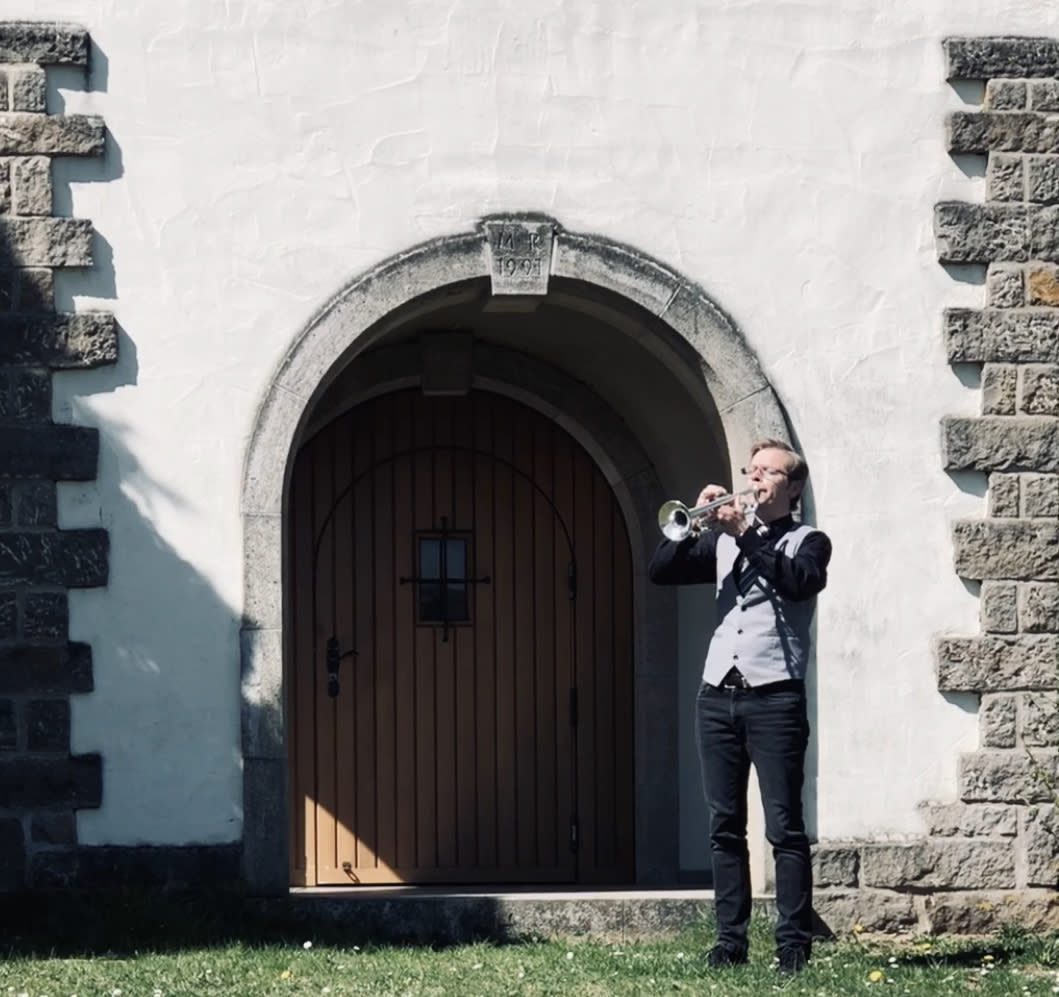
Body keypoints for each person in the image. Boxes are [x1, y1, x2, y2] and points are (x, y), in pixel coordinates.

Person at [649, 439, 831, 975]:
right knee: (724, 826)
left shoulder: (809, 541)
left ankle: (793, 945)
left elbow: (798, 583)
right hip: (717, 695)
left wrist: (746, 533)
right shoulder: (723, 543)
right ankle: (730, 942)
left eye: (768, 473)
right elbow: (660, 571)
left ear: (793, 488)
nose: (754, 480)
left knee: (784, 828)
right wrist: (696, 525)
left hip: (775, 698)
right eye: (751, 471)